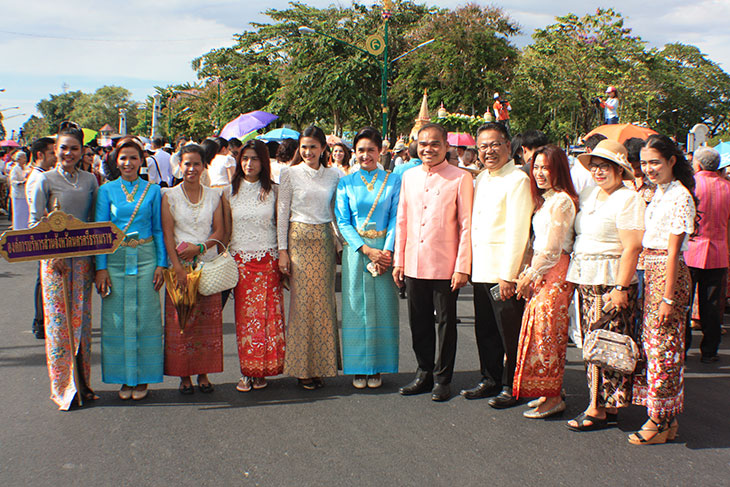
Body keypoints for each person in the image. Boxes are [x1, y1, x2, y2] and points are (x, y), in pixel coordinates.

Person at [565, 139, 644, 431]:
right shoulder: (589, 195)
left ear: (619, 170)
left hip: (610, 281)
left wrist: (621, 288)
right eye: (595, 167)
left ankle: (597, 406)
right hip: (587, 278)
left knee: (605, 344)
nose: (599, 172)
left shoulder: (628, 199)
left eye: (605, 167)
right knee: (595, 342)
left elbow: (632, 247)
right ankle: (604, 403)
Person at [393, 123, 473, 402]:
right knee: (419, 322)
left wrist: (462, 266)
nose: (428, 149)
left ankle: (443, 378)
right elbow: (402, 221)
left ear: (446, 146)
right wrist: (399, 260)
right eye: (423, 144)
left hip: (445, 265)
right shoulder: (409, 176)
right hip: (414, 262)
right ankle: (423, 372)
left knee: (446, 323)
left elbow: (466, 225)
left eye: (435, 144)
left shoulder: (460, 178)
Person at [629, 134, 696, 444]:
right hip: (652, 271)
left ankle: (658, 419)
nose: (649, 168)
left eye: (655, 162)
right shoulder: (658, 193)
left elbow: (673, 252)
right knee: (657, 349)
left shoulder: (680, 196)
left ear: (671, 161)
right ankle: (665, 421)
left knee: (663, 350)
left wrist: (668, 296)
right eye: (644, 163)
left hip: (667, 275)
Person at [29, 121, 99, 410]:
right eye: (63, 148)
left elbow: (95, 222)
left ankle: (83, 383)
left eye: (74, 148)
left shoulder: (90, 181)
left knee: (81, 322)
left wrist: (96, 257)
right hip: (55, 263)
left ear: (82, 151)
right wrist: (51, 253)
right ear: (54, 150)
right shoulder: (44, 180)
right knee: (59, 326)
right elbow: (34, 223)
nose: (68, 153)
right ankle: (63, 388)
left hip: (82, 261)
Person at [463, 122, 533, 408]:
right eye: (483, 146)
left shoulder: (517, 180)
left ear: (508, 146)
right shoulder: (482, 178)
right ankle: (489, 378)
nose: (488, 151)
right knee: (486, 329)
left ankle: (512, 384)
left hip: (503, 272)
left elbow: (518, 232)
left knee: (509, 332)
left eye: (494, 144)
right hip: (482, 268)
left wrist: (509, 275)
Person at [95, 136, 167, 401]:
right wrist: (100, 269)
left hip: (147, 257)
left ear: (142, 161)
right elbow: (101, 232)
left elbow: (159, 229)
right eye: (123, 157)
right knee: (116, 319)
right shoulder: (106, 191)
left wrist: (162, 264)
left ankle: (143, 377)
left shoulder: (153, 190)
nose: (128, 162)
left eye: (133, 157)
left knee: (147, 318)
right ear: (116, 160)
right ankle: (124, 378)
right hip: (115, 259)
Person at [513, 145, 578, 418]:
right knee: (542, 331)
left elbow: (551, 249)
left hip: (555, 273)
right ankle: (548, 391)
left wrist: (528, 275)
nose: (539, 173)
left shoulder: (561, 201)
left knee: (548, 334)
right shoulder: (548, 200)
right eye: (536, 167)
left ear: (558, 170)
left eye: (545, 168)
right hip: (544, 273)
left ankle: (552, 397)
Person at [336, 127, 401, 389]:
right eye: (361, 150)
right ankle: (358, 367)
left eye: (371, 150)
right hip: (357, 251)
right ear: (354, 152)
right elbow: (342, 221)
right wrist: (365, 249)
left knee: (384, 308)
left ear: (381, 151)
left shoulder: (393, 180)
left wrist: (386, 251)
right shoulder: (346, 182)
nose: (366, 155)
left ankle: (378, 367)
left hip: (385, 251)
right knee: (355, 307)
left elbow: (397, 217)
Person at [277, 126, 340, 389]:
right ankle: (302, 368)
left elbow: (334, 212)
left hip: (324, 240)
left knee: (324, 305)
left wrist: (341, 242)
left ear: (324, 148)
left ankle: (322, 367)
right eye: (304, 147)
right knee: (302, 306)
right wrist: (282, 251)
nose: (308, 152)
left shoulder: (334, 175)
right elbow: (282, 213)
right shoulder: (289, 174)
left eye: (313, 147)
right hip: (298, 241)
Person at [161, 143, 225, 394]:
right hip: (179, 268)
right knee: (182, 323)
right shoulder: (169, 196)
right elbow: (167, 235)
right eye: (187, 163)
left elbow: (219, 231)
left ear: (203, 166)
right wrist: (177, 267)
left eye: (196, 163)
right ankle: (184, 375)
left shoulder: (214, 195)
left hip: (207, 266)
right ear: (179, 166)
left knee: (206, 325)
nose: (191, 168)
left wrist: (199, 249)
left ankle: (203, 373)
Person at [228, 140, 285, 392]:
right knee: (245, 320)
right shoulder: (228, 190)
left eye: (255, 159)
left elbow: (282, 225)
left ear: (264, 162)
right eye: (245, 159)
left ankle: (264, 370)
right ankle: (247, 371)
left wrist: (283, 255)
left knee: (268, 318)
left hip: (269, 260)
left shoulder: (275, 191)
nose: (249, 164)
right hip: (240, 262)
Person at [683, 148, 730, 363]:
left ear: (698, 164)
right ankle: (709, 351)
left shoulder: (690, 185)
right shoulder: (727, 187)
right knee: (711, 305)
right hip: (718, 252)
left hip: (691, 251)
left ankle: (682, 347)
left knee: (684, 301)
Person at [26, 137, 56, 339]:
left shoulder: (43, 176)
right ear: (40, 155)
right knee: (43, 279)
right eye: (52, 152)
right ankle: (40, 321)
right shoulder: (39, 178)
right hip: (44, 234)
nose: (55, 157)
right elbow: (39, 213)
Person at [9, 150, 30, 230]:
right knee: (18, 213)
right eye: (23, 157)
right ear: (19, 159)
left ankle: (25, 228)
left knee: (25, 213)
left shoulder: (26, 168)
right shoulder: (14, 169)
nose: (25, 159)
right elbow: (12, 181)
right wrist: (21, 182)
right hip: (18, 194)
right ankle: (18, 228)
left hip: (24, 194)